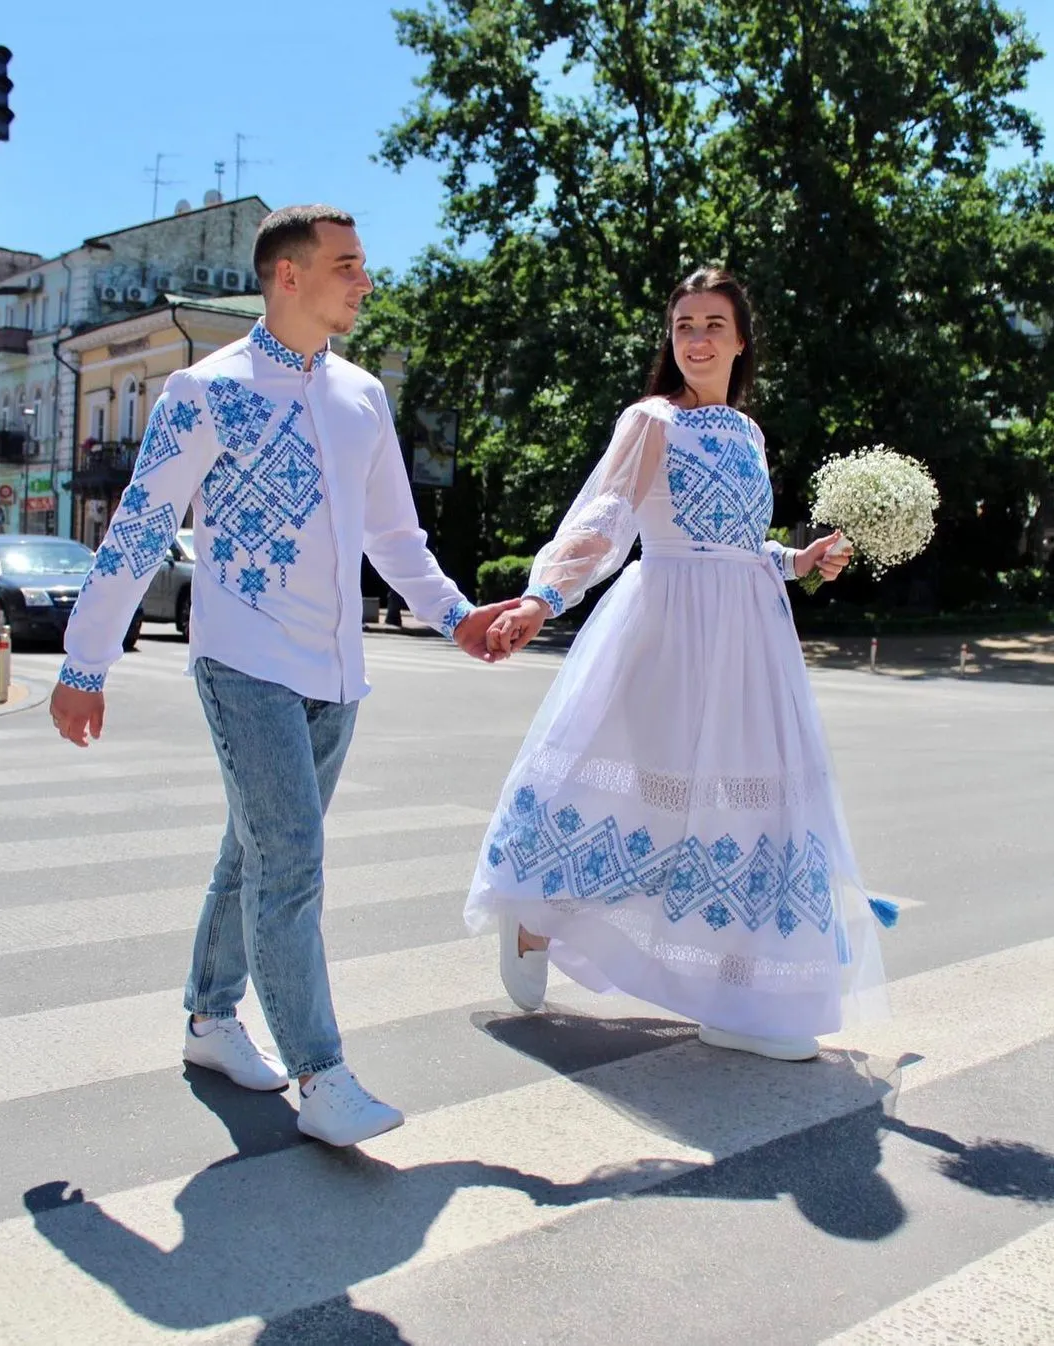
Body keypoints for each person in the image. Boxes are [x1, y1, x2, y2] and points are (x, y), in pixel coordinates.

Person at [49, 204, 518, 1146]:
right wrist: (84, 661)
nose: (365, 280)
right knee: (292, 862)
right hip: (244, 662)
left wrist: (459, 618)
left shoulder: (361, 398)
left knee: (255, 851)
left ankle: (208, 1018)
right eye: (347, 264)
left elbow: (396, 537)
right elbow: (141, 528)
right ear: (287, 277)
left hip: (336, 673)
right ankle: (323, 1075)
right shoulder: (204, 393)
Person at [467, 268, 894, 1062]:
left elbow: (738, 546)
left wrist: (800, 560)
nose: (696, 339)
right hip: (665, 629)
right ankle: (533, 918)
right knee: (641, 796)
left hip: (750, 641)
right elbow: (605, 520)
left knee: (749, 810)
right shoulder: (650, 420)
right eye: (683, 325)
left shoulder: (750, 433)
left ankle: (736, 994)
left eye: (712, 325)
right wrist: (541, 598)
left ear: (739, 342)